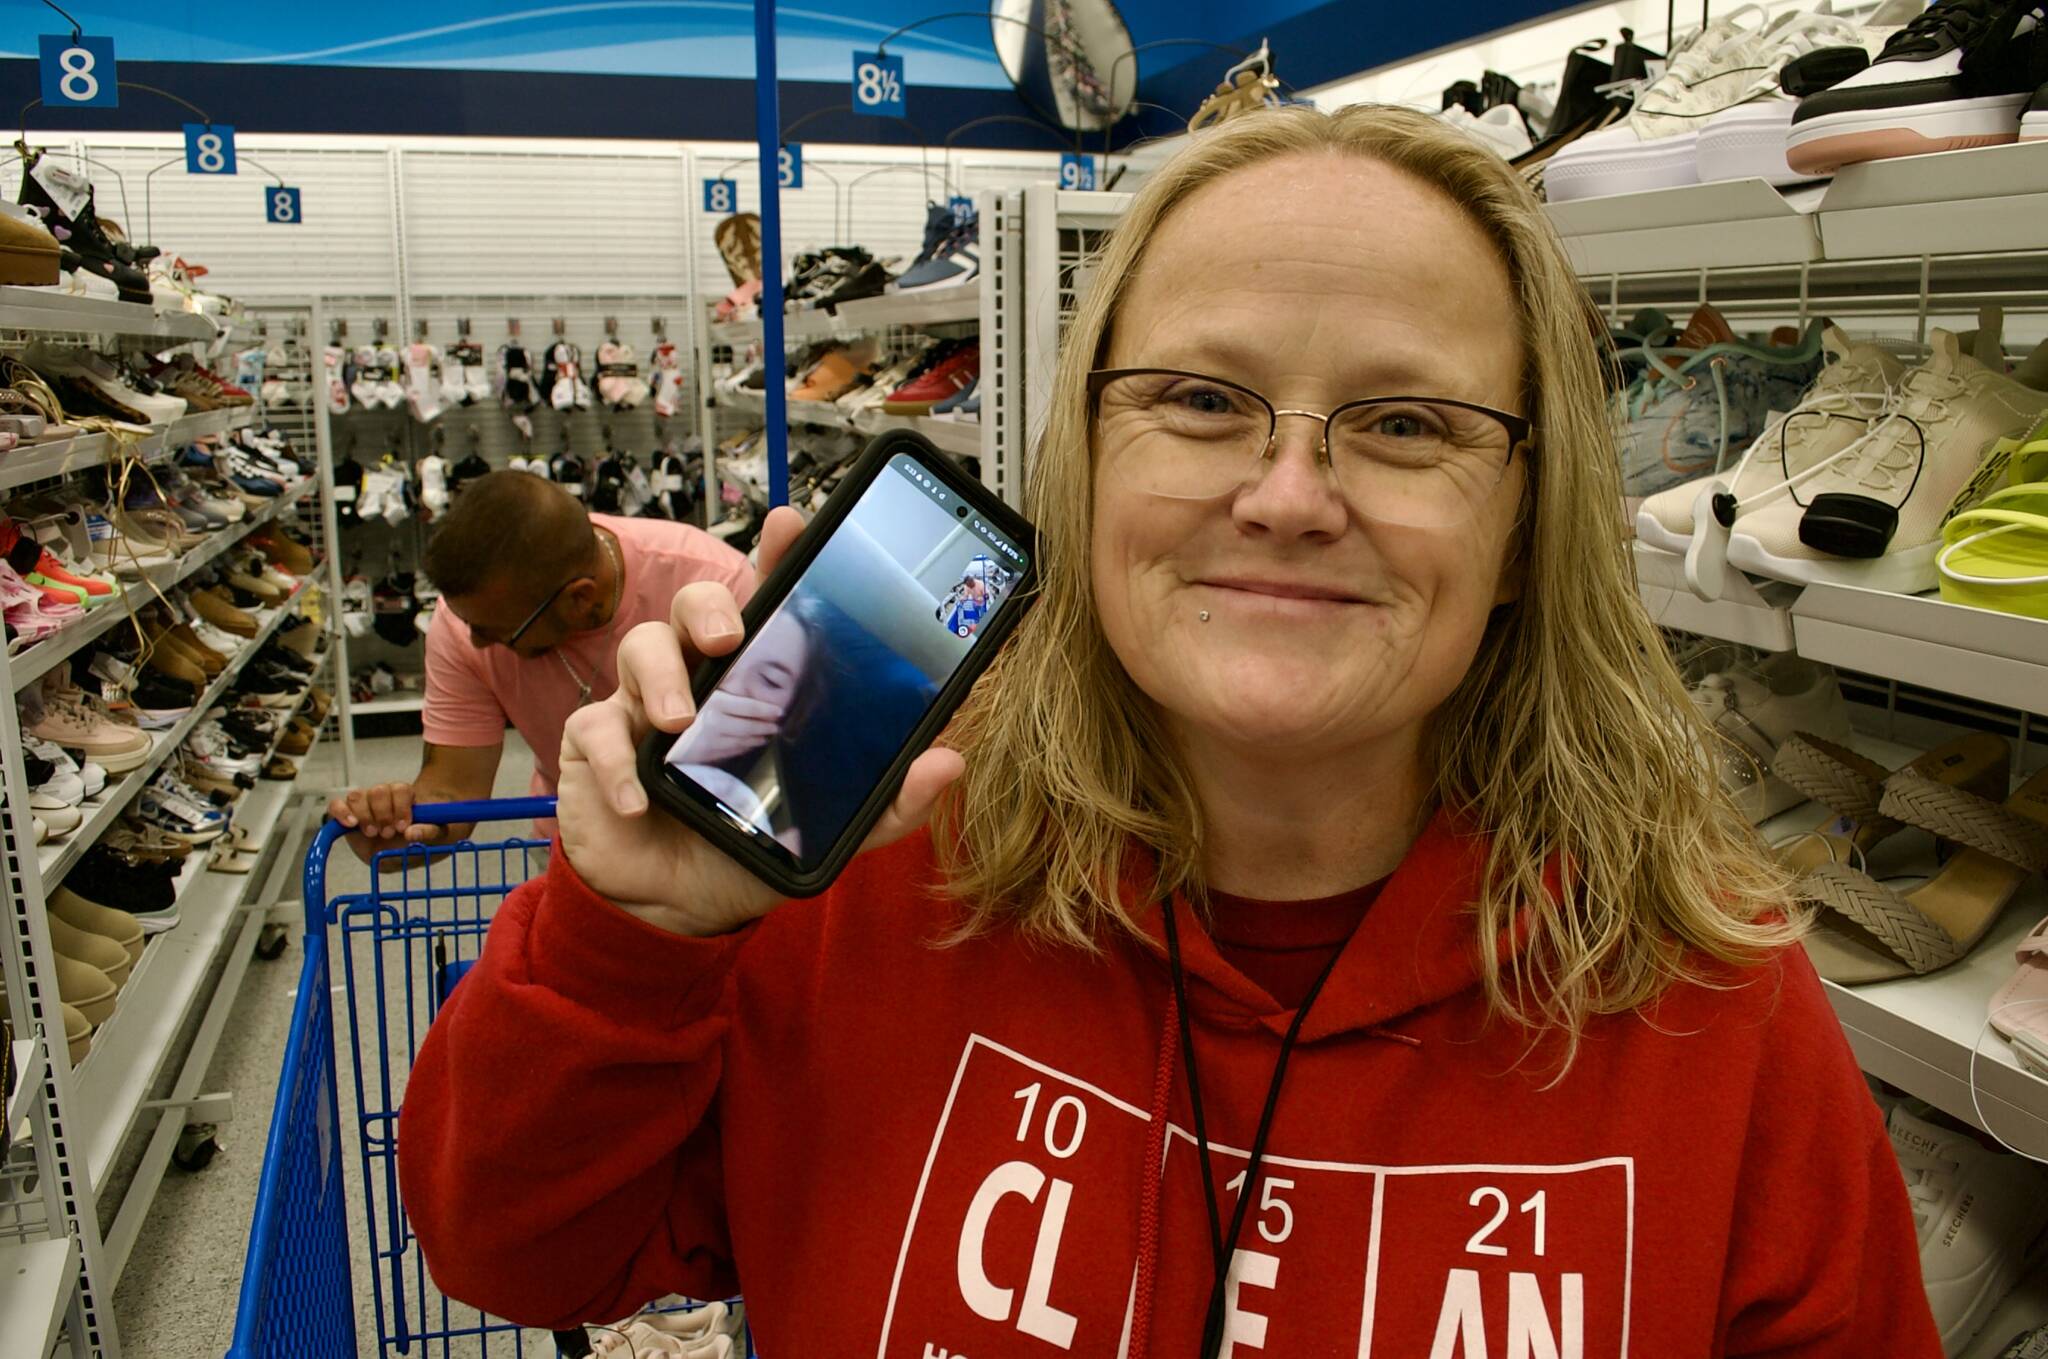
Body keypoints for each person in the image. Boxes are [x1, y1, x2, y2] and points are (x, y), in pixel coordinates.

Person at [398, 106, 1938, 1354]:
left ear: (1531, 525)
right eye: (1201, 399)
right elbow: (513, 1248)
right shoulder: (859, 885)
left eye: (1408, 423)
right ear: (1083, 463)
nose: (1287, 494)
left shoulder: (1713, 1006)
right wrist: (627, 941)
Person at [326, 469, 752, 858]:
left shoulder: (714, 584)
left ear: (579, 598)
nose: (476, 640)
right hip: (570, 844)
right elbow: (454, 785)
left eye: (497, 631)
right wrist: (403, 827)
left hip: (715, 844)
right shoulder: (467, 619)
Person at [668, 593, 940, 856]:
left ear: (794, 714)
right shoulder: (663, 734)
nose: (732, 686)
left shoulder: (787, 824)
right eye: (731, 661)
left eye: (770, 680)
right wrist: (677, 751)